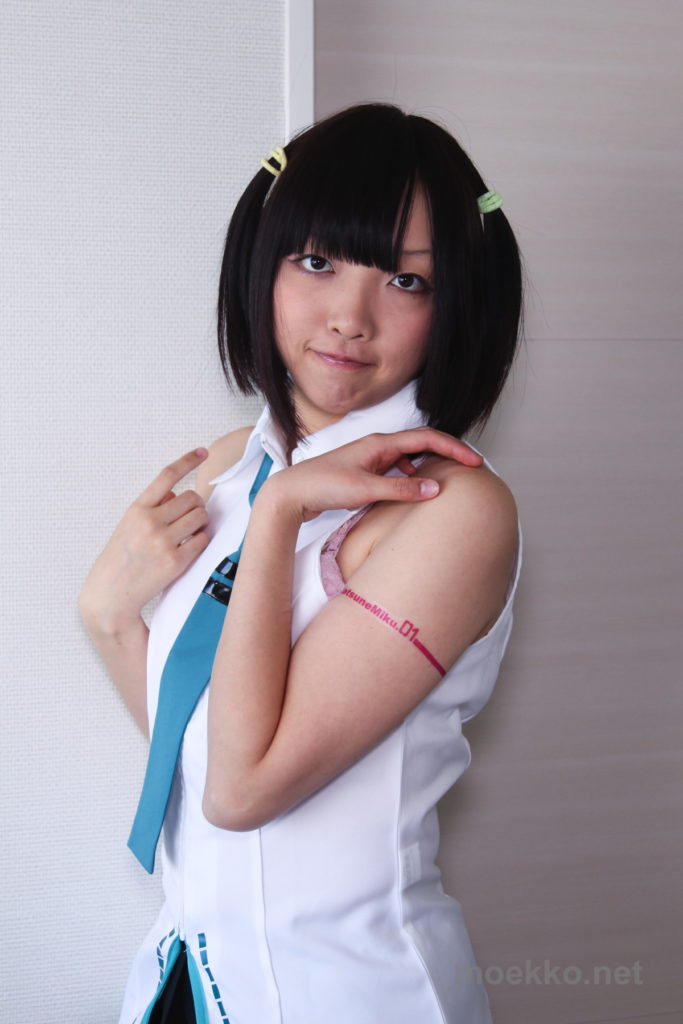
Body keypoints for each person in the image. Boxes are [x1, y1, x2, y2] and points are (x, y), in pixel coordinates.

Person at [79, 102, 523, 1024]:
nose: (349, 318)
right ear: (263, 263)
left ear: (454, 305)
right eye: (317, 262)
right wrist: (111, 619)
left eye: (405, 281)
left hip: (349, 990)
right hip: (187, 971)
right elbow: (199, 750)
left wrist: (280, 516)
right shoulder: (227, 468)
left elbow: (243, 791)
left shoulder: (452, 512)